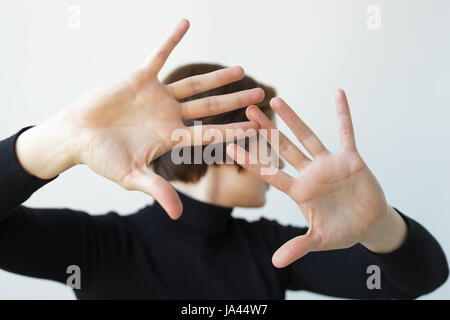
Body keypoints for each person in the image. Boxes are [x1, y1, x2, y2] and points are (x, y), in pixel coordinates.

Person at [0, 20, 448, 299]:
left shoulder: (276, 251)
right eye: (264, 138)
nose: (278, 160)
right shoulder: (96, 247)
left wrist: (379, 223)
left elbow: (417, 280)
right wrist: (57, 140)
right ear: (213, 143)